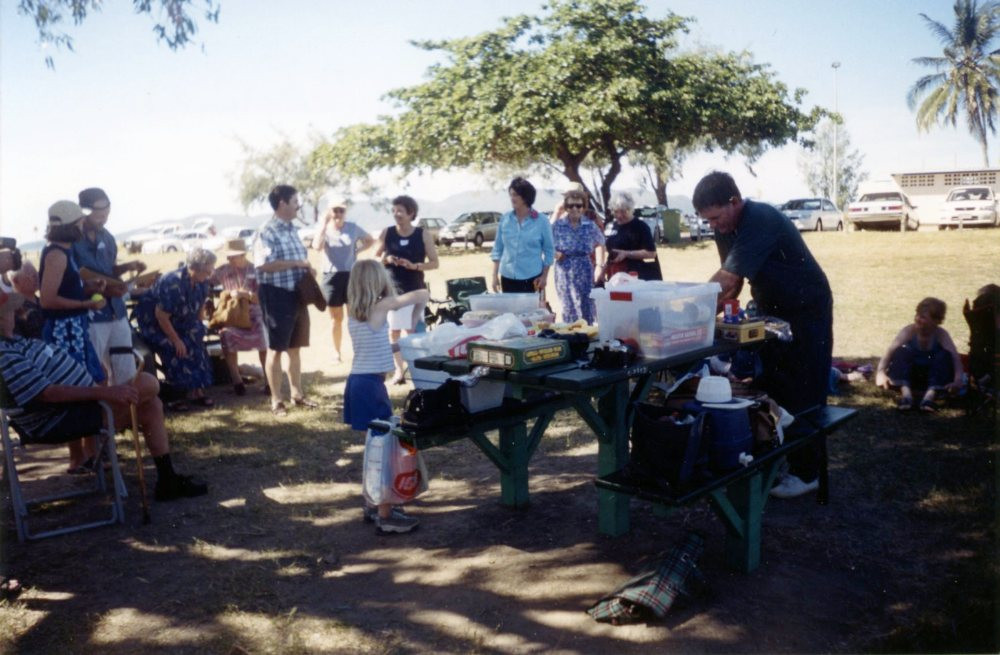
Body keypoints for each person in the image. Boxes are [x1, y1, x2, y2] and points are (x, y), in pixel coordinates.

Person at [692, 171, 833, 499]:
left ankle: (807, 472)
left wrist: (690, 319)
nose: (712, 225)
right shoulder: (725, 227)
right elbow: (734, 283)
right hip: (771, 309)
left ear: (733, 202)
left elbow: (726, 280)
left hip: (807, 308)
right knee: (772, 385)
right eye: (706, 220)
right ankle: (780, 460)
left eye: (714, 217)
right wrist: (704, 317)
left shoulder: (761, 218)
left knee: (805, 389)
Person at [0, 288, 208, 501]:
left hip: (77, 408)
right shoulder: (5, 354)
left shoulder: (16, 342)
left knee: (151, 404)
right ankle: (169, 391)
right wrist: (104, 392)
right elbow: (47, 394)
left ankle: (167, 479)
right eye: (7, 311)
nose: (14, 314)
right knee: (148, 384)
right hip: (58, 419)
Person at [344, 259, 428, 534]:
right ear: (376, 282)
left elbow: (374, 346)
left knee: (374, 449)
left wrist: (400, 344)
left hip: (358, 383)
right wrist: (416, 317)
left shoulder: (355, 311)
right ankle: (385, 514)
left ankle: (373, 503)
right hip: (370, 386)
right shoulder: (380, 307)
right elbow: (421, 294)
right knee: (384, 450)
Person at [39, 201, 108, 472]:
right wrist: (85, 304)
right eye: (79, 222)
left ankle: (88, 453)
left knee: (92, 384)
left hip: (75, 330)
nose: (83, 225)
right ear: (70, 226)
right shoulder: (56, 255)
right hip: (63, 333)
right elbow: (47, 300)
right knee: (79, 389)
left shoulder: (65, 252)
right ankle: (80, 456)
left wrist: (89, 287)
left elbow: (65, 289)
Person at [73, 187, 148, 386]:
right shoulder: (72, 242)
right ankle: (101, 417)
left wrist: (128, 267)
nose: (103, 219)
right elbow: (72, 281)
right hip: (92, 316)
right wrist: (105, 290)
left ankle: (125, 416)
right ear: (84, 211)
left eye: (106, 214)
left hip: (117, 312)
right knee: (95, 373)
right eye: (98, 215)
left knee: (126, 370)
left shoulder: (108, 238)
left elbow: (108, 271)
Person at [254, 185, 318, 416]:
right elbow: (263, 265)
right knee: (276, 349)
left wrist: (307, 270)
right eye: (295, 202)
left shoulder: (292, 229)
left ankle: (297, 394)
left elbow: (297, 259)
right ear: (282, 203)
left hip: (297, 294)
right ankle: (276, 400)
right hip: (276, 295)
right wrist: (297, 264)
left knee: (295, 347)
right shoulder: (266, 231)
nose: (297, 206)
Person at [134, 248, 216, 410]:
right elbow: (161, 316)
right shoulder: (172, 282)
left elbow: (199, 310)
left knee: (196, 338)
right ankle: (176, 395)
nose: (210, 273)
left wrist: (199, 328)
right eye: (208, 269)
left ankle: (197, 390)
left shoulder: (202, 282)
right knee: (175, 347)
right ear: (196, 267)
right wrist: (176, 340)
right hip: (156, 324)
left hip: (181, 322)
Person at [375, 195, 439, 384]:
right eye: (394, 211)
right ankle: (398, 372)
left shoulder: (422, 234)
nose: (396, 215)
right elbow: (374, 258)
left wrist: (415, 266)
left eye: (400, 211)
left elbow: (435, 263)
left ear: (411, 213)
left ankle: (418, 371)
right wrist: (386, 260)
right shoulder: (387, 233)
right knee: (393, 332)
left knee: (414, 332)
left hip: (415, 290)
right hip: (392, 291)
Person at [311, 199, 375, 364]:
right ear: (329, 212)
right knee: (336, 319)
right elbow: (316, 246)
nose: (338, 214)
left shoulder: (352, 227)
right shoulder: (325, 229)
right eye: (335, 210)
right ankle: (337, 353)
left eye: (341, 211)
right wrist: (324, 224)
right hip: (331, 277)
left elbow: (370, 240)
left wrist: (357, 250)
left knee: (354, 316)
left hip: (351, 275)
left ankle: (358, 352)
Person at [876, 297, 964, 412]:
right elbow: (890, 351)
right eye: (917, 315)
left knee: (944, 355)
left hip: (932, 377)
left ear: (936, 321)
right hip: (911, 376)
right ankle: (906, 396)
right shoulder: (909, 331)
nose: (918, 319)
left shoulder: (941, 334)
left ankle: (929, 398)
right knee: (900, 352)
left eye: (923, 317)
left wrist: (957, 380)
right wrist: (881, 372)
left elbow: (955, 358)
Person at [210, 239, 267, 396]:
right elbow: (204, 280)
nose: (229, 259)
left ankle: (269, 380)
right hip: (232, 314)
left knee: (263, 335)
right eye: (228, 256)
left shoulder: (256, 270)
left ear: (243, 255)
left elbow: (262, 298)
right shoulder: (222, 270)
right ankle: (237, 382)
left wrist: (245, 294)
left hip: (254, 313)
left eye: (233, 256)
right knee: (226, 334)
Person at [490, 177, 555, 297]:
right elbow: (497, 249)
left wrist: (544, 276)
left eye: (515, 195)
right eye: (511, 195)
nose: (512, 198)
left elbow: (549, 251)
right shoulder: (505, 219)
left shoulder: (542, 221)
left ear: (526, 197)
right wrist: (494, 276)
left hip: (532, 278)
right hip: (507, 278)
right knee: (510, 315)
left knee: (533, 315)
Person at [552, 187, 605, 324]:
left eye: (578, 205)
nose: (574, 208)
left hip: (585, 268)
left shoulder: (590, 225)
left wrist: (599, 265)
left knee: (587, 305)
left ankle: (587, 338)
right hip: (564, 269)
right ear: (566, 207)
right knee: (568, 306)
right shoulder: (557, 225)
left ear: (583, 207)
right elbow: (545, 245)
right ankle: (571, 338)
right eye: (570, 205)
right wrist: (555, 254)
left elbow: (600, 243)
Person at [603, 191, 661, 281]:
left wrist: (626, 254)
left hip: (636, 276)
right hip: (615, 275)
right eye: (615, 212)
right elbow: (612, 253)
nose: (619, 215)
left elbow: (651, 253)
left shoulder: (641, 226)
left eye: (623, 211)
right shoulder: (614, 225)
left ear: (631, 209)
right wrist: (603, 271)